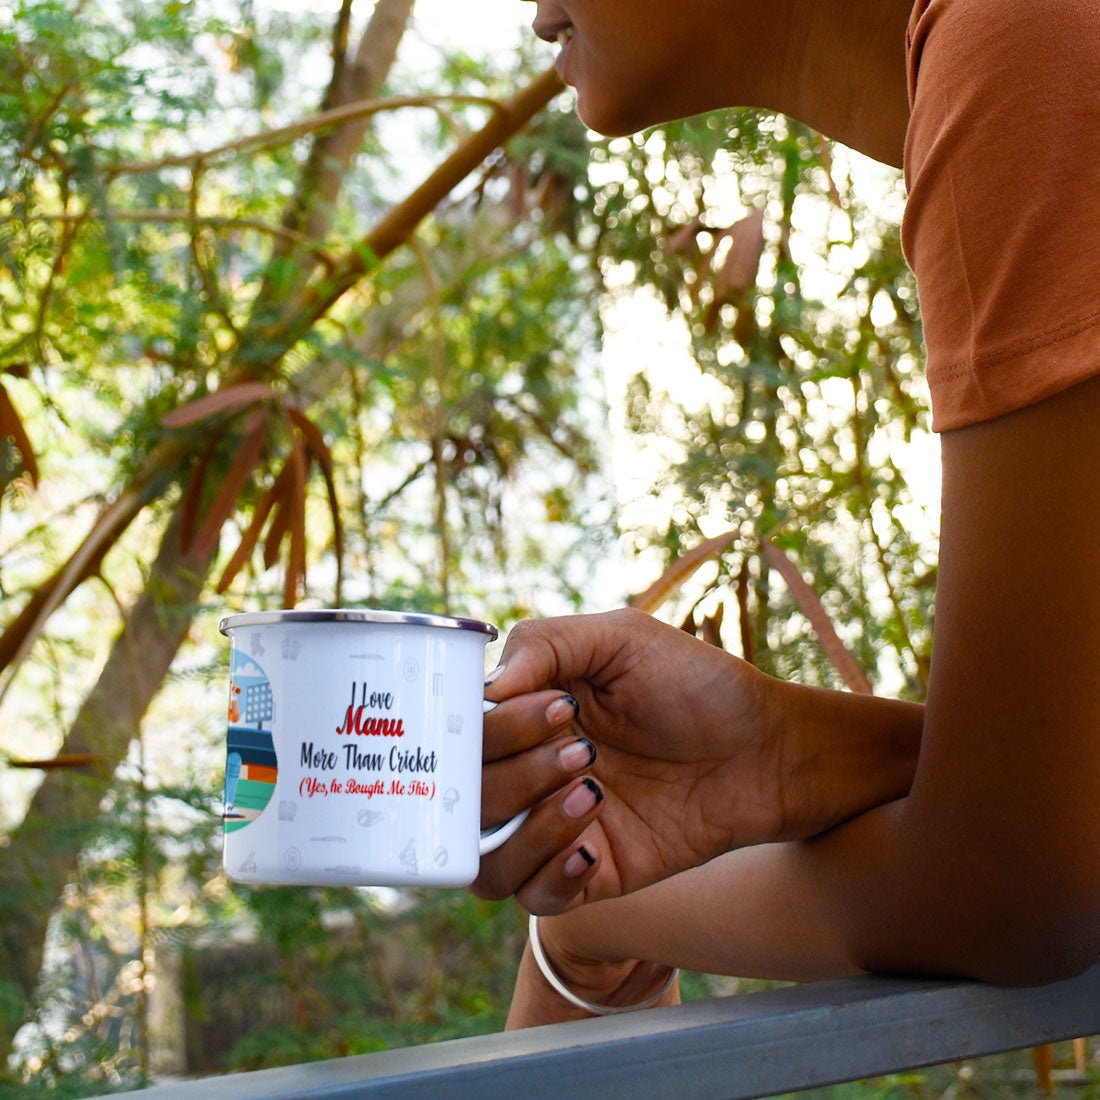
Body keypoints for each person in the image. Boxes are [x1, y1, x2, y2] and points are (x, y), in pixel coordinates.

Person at [478, 0, 1100, 1028]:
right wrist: (785, 750)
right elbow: (1056, 824)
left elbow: (1018, 887)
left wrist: (607, 916)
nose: (529, 10)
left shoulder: (1029, 41)